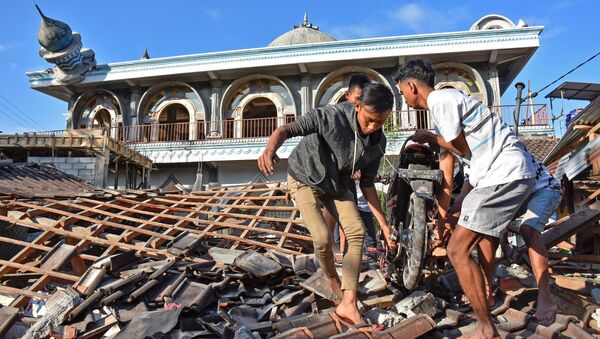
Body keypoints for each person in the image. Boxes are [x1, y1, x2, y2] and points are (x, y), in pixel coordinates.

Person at [393, 59, 536, 338]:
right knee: (478, 236)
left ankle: (485, 327)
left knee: (457, 250)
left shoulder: (440, 100)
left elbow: (460, 146)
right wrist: (449, 211)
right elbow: (465, 154)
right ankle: (484, 297)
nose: (404, 99)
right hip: (499, 173)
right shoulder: (451, 101)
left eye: (402, 92)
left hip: (503, 173)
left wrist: (432, 138)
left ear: (411, 85)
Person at [258, 82, 397, 329]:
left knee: (356, 232)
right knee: (322, 238)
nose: (372, 127)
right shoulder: (329, 116)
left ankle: (348, 302)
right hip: (305, 176)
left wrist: (384, 225)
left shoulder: (377, 142)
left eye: (380, 122)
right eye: (369, 120)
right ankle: (331, 277)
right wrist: (269, 150)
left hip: (337, 184)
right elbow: (286, 130)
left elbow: (366, 184)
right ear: (356, 105)